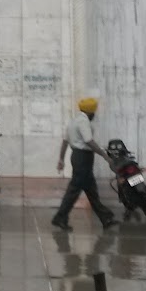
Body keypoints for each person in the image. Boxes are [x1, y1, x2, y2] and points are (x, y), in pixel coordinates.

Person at [52, 95, 116, 230]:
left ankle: (105, 218)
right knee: (74, 190)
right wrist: (105, 156)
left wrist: (61, 159)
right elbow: (89, 141)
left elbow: (65, 142)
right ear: (90, 112)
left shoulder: (73, 121)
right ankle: (60, 217)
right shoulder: (83, 122)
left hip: (78, 156)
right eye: (93, 113)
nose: (94, 115)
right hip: (83, 158)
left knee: (91, 190)